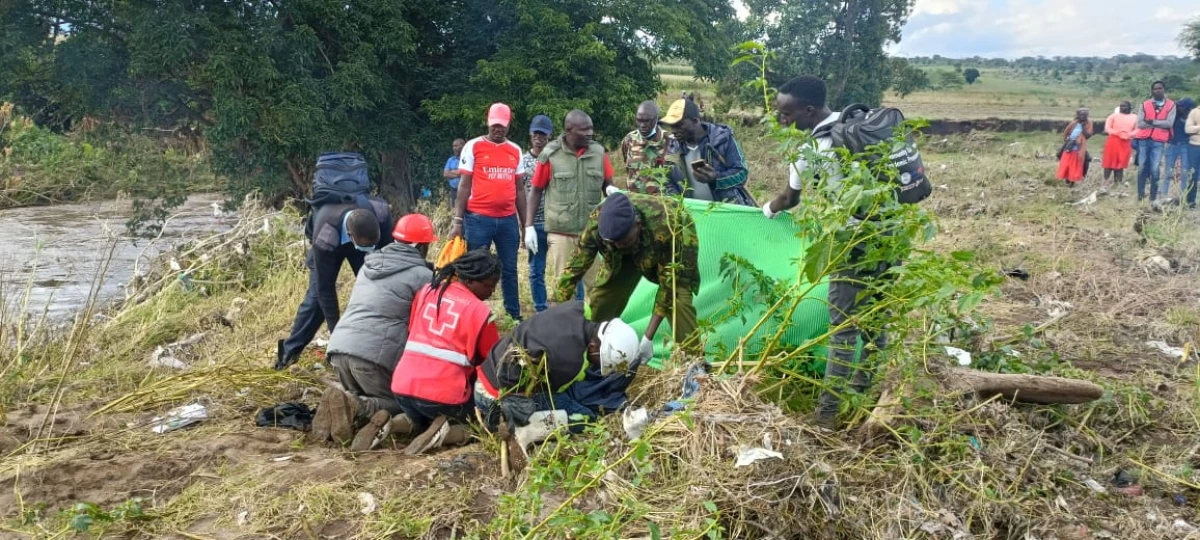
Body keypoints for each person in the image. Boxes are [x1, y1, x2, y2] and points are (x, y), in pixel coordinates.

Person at [762, 75, 910, 429]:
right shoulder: (859, 123)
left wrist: (767, 210)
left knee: (841, 328)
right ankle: (866, 392)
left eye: (787, 113)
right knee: (875, 320)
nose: (784, 120)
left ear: (809, 110)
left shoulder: (812, 150)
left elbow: (789, 199)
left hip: (851, 242)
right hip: (891, 235)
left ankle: (826, 417)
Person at [315, 214, 437, 451]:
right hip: (372, 359)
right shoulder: (423, 277)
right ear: (423, 245)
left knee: (366, 391)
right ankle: (355, 405)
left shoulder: (369, 264)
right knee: (405, 405)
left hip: (339, 351)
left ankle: (343, 401)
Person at [473, 302, 642, 453]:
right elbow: (559, 393)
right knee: (584, 417)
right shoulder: (572, 362)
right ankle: (523, 430)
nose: (598, 367)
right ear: (593, 346)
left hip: (484, 376)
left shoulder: (578, 308)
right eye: (600, 362)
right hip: (496, 398)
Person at [557, 192, 701, 359]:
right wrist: (552, 315)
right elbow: (575, 268)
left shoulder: (666, 225)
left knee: (678, 299)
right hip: (623, 258)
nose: (618, 245)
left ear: (638, 225)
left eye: (623, 241)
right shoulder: (598, 224)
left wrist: (648, 337)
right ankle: (590, 357)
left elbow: (669, 286)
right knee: (603, 299)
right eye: (613, 242)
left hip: (671, 243)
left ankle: (695, 365)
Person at [390, 249, 502, 455]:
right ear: (470, 281)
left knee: (418, 417)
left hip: (402, 389)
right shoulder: (481, 313)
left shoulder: (427, 291)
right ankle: (445, 434)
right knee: (485, 423)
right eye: (489, 285)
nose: (491, 292)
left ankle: (394, 424)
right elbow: (492, 363)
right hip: (444, 398)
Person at [276, 190, 392, 370]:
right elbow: (326, 290)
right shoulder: (325, 237)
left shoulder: (382, 214)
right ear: (350, 235)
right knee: (316, 301)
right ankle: (288, 354)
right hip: (330, 240)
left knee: (376, 286)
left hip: (361, 237)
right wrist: (337, 336)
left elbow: (387, 266)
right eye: (364, 246)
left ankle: (375, 346)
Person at [526, 110, 615, 300]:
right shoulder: (551, 154)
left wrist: (610, 191)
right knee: (565, 288)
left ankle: (597, 328)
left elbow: (608, 183)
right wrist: (529, 226)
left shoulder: (599, 153)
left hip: (592, 232)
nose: (590, 133)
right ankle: (567, 329)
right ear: (569, 130)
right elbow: (536, 190)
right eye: (584, 129)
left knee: (600, 287)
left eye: (591, 128)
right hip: (561, 233)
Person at [451, 103, 527, 321]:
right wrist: (457, 221)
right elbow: (464, 185)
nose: (497, 129)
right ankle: (471, 315)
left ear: (508, 125)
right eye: (494, 125)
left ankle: (513, 315)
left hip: (507, 220)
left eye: (502, 125)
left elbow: (520, 189)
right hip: (477, 219)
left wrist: (525, 225)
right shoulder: (473, 146)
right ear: (488, 121)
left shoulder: (515, 150)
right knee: (475, 269)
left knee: (510, 269)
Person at [659, 98, 755, 206]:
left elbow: (742, 174)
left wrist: (716, 179)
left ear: (695, 121)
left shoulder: (722, 139)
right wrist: (678, 203)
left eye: (679, 125)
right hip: (694, 214)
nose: (674, 131)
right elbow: (667, 180)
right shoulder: (673, 147)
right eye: (671, 126)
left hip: (726, 210)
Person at [521, 115, 554, 312]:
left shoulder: (556, 158)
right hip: (535, 223)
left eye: (543, 134)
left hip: (556, 222)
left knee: (567, 268)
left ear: (549, 136)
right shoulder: (523, 162)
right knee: (536, 270)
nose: (539, 137)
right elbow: (519, 194)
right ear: (530, 134)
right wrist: (525, 226)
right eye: (536, 133)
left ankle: (571, 308)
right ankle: (541, 308)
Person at [1133, 81, 1177, 202]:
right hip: (1144, 139)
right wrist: (1159, 124)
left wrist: (1152, 122)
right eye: (1155, 89)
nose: (1158, 90)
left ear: (1164, 89)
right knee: (1142, 167)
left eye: (1160, 88)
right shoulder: (1145, 104)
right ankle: (1140, 195)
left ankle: (1152, 198)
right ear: (1152, 91)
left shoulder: (1171, 105)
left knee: (1155, 168)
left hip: (1159, 140)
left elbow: (1169, 123)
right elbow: (1140, 123)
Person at [620, 101, 669, 194]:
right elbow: (627, 167)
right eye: (639, 120)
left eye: (647, 121)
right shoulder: (629, 139)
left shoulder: (669, 141)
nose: (642, 125)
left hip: (660, 204)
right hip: (634, 201)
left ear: (656, 119)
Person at [1166, 98, 1195, 199]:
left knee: (1184, 173)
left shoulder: (1193, 119)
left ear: (1187, 109)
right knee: (1168, 172)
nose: (1177, 107)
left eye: (1180, 106)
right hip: (1173, 145)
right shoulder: (1175, 116)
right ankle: (1163, 195)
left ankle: (1182, 196)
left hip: (1186, 147)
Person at [1102, 102, 1137, 183]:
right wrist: (1118, 133)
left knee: (1121, 162)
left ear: (1129, 107)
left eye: (1124, 106)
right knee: (1109, 161)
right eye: (1121, 106)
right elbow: (1107, 128)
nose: (1122, 108)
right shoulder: (1113, 116)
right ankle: (1105, 181)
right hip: (1113, 141)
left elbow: (1137, 129)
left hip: (1126, 142)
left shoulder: (1135, 117)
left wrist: (1129, 134)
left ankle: (1118, 182)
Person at [1057, 108, 1092, 185]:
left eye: (1085, 115)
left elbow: (1088, 135)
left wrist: (1082, 128)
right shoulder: (1074, 122)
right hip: (1070, 145)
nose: (1083, 116)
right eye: (1081, 114)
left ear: (1087, 115)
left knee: (1085, 160)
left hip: (1080, 147)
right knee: (1066, 162)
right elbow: (1066, 131)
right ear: (1078, 115)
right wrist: (1067, 139)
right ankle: (1067, 179)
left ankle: (1075, 179)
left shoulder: (1088, 123)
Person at [1184, 100, 1200, 208]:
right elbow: (1188, 129)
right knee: (1193, 174)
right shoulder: (1195, 112)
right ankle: (1190, 202)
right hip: (1194, 146)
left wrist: (1196, 129)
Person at [444, 138, 465, 204]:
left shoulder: (467, 159)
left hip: (465, 190)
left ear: (462, 146)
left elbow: (466, 173)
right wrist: (460, 173)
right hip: (454, 190)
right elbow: (445, 174)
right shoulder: (450, 160)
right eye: (453, 146)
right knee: (455, 211)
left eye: (456, 146)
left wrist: (452, 171)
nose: (454, 148)